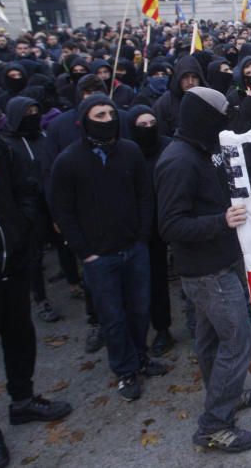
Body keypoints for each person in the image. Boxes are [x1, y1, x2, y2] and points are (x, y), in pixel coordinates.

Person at [155, 87, 251, 453]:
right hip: (207, 272)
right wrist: (221, 221)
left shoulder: (201, 150)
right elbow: (170, 226)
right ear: (204, 120)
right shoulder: (179, 161)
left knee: (210, 341)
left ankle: (225, 396)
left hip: (217, 263)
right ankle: (214, 425)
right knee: (238, 340)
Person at [50, 95, 165, 402]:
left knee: (140, 310)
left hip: (134, 248)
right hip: (99, 257)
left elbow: (144, 195)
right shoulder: (69, 160)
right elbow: (63, 211)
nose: (107, 120)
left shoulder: (130, 151)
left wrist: (141, 235)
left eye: (111, 114)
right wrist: (84, 251)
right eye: (99, 115)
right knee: (113, 317)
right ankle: (125, 370)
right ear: (85, 120)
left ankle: (140, 356)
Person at [0, 117, 73, 468]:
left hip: (12, 264)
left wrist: (22, 230)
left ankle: (23, 398)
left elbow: (25, 189)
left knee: (20, 337)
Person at [0, 97, 61, 323]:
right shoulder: (6, 144)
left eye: (35, 111)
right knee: (34, 254)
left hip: (52, 199)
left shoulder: (45, 136)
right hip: (29, 207)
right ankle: (40, 298)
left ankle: (73, 280)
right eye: (26, 113)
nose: (32, 116)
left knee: (63, 242)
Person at [127, 106, 175, 357]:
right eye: (142, 125)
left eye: (152, 123)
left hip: (174, 217)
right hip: (145, 225)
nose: (148, 129)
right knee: (155, 280)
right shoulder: (127, 152)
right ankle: (162, 328)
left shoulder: (168, 146)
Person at [153, 55, 206, 137]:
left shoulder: (207, 99)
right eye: (185, 77)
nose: (190, 82)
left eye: (194, 77)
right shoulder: (165, 102)